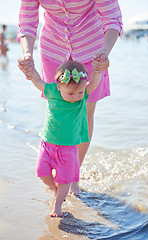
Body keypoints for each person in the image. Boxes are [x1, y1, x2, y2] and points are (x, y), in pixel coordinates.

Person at [17, 0, 123, 195]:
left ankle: (73, 174)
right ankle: (57, 165)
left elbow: (112, 18)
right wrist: (27, 53)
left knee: (84, 112)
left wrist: (104, 52)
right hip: (53, 49)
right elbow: (27, 21)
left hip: (92, 50)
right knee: (58, 110)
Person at [17, 58, 103, 217]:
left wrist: (98, 71)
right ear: (59, 86)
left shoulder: (81, 96)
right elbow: (36, 80)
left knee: (65, 179)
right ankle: (57, 191)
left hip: (68, 149)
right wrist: (28, 70)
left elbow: (93, 84)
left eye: (79, 92)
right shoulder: (51, 91)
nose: (76, 97)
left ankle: (57, 205)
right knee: (41, 172)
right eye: (70, 93)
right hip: (47, 144)